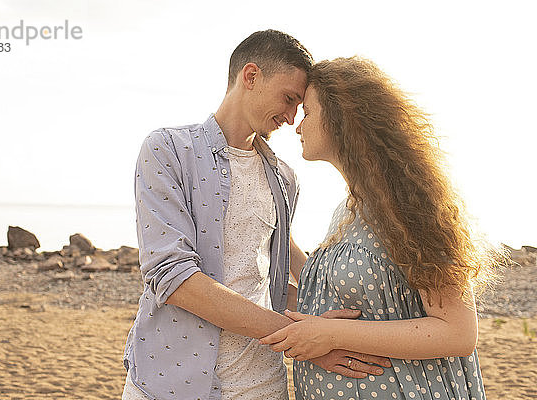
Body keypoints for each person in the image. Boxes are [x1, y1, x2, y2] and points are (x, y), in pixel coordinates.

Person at [121, 33, 390, 400]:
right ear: (250, 76)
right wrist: (300, 337)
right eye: (289, 98)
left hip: (263, 386)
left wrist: (336, 329)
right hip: (170, 384)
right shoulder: (168, 150)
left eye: (301, 107)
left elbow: (270, 276)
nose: (292, 117)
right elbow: (173, 277)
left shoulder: (285, 178)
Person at [260, 56, 500, 399]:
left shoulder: (410, 203)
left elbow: (458, 334)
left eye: (309, 112)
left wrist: (330, 335)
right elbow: (325, 282)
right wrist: (272, 228)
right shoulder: (348, 208)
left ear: (342, 119)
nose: (298, 126)